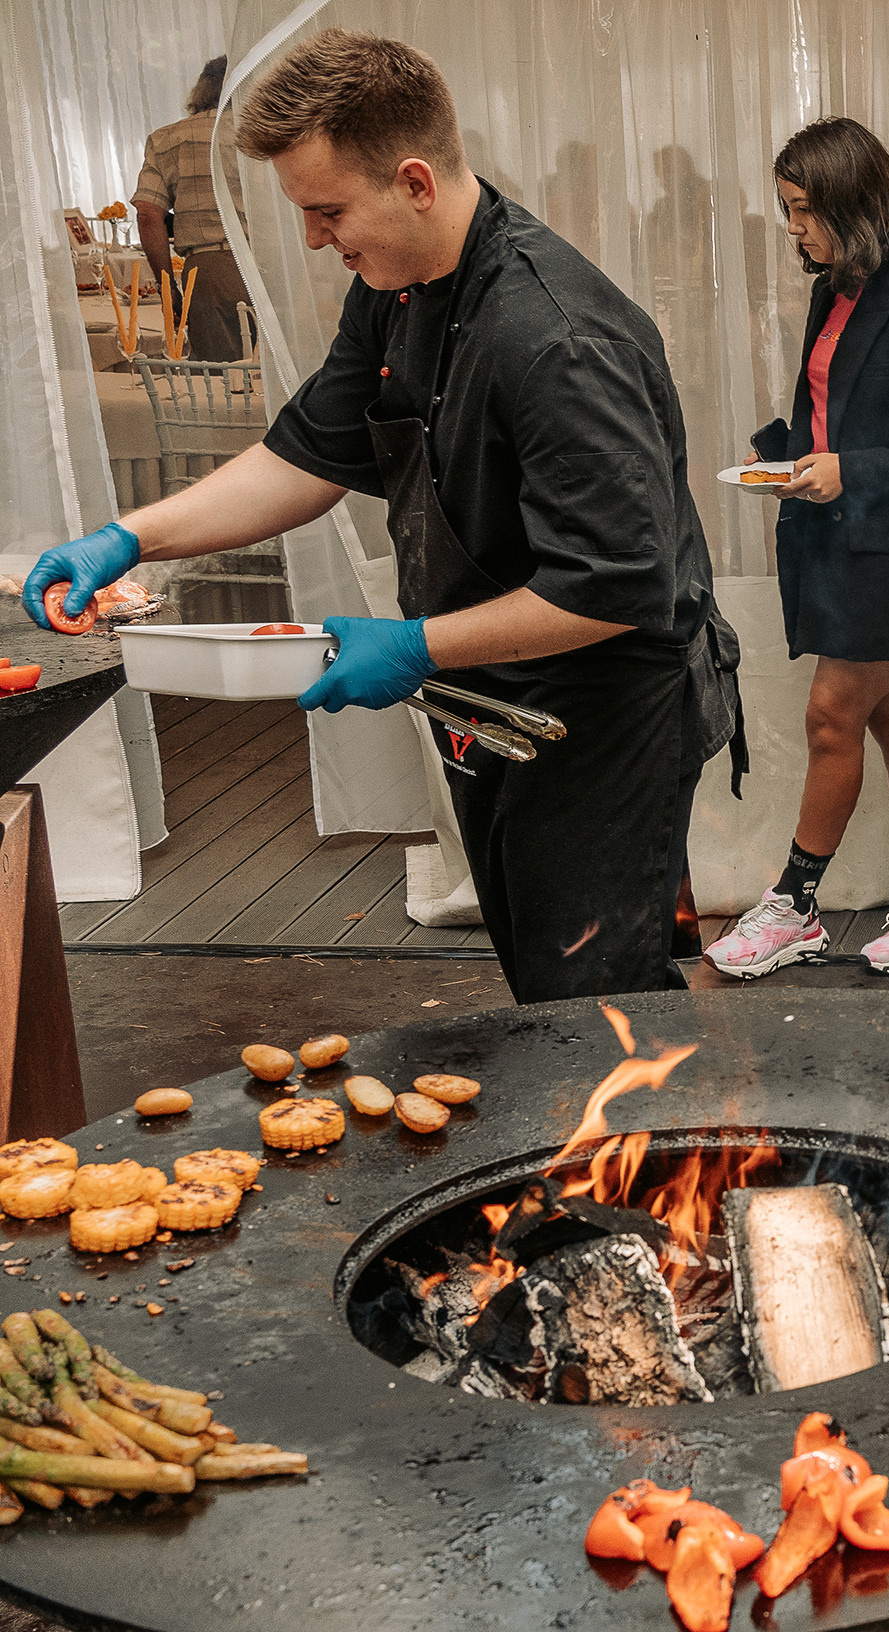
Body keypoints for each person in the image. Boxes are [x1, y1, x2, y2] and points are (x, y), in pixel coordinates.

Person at [24, 29, 744, 1006]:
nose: (316, 237)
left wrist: (412, 643)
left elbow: (616, 586)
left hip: (603, 709)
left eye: (326, 210)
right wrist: (130, 536)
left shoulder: (553, 337)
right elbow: (304, 455)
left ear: (413, 181)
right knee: (552, 981)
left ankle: (650, 1153)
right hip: (494, 696)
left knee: (599, 1009)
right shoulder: (396, 290)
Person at [703, 118, 889, 980]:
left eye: (802, 210)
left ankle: (795, 905)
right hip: (846, 552)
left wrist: (849, 471)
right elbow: (839, 419)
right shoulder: (836, 292)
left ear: (848, 204)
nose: (792, 227)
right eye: (788, 209)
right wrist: (785, 450)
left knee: (833, 718)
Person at [131, 56, 252, 362]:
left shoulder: (167, 139)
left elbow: (148, 213)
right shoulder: (264, 133)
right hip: (275, 264)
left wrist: (166, 285)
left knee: (225, 379)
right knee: (283, 376)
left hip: (210, 270)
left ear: (200, 89)